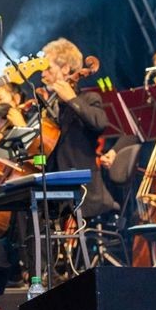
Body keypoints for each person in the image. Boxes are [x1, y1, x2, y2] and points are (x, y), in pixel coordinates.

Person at [39, 37, 116, 218]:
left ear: (66, 69)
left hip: (82, 194)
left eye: (48, 68)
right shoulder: (44, 108)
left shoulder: (88, 100)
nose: (42, 74)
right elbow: (41, 155)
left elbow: (100, 124)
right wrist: (36, 165)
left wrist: (71, 99)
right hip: (51, 195)